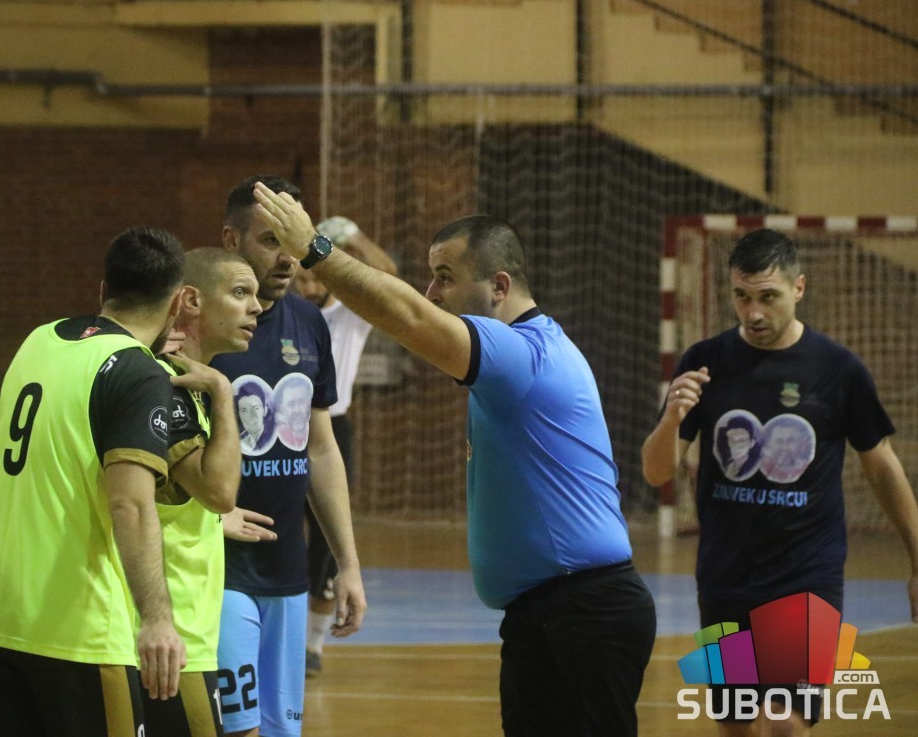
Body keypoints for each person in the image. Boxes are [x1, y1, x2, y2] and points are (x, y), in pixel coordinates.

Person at [255, 186, 656, 737]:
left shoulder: (523, 354)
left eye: (445, 277)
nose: (432, 292)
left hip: (585, 612)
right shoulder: (524, 352)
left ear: (499, 287)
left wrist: (314, 249)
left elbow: (409, 317)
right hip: (544, 614)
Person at [642, 228, 918, 736]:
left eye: (767, 297)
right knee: (736, 724)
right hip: (724, 578)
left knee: (782, 722)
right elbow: (657, 471)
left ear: (799, 288)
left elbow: (881, 466)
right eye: (741, 296)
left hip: (805, 577)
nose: (753, 313)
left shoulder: (838, 371)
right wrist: (672, 419)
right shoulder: (704, 363)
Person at [0, 226, 188, 737]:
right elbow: (131, 505)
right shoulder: (137, 371)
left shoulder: (39, 340)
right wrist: (157, 619)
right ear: (177, 304)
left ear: (103, 289)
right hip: (76, 628)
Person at [211, 176, 367, 737]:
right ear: (231, 240)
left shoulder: (309, 322)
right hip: (217, 573)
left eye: (295, 241)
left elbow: (321, 449)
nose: (287, 258)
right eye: (270, 240)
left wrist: (348, 563)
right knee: (238, 731)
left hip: (289, 575)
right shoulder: (195, 327)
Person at [142, 247, 266, 736]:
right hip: (164, 632)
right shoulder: (165, 380)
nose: (256, 307)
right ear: (191, 301)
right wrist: (224, 393)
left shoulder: (189, 381)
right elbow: (218, 491)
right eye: (239, 293)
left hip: (189, 628)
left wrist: (216, 516)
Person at [292, 217, 397, 677]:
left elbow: (388, 276)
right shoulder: (285, 315)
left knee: (327, 544)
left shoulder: (349, 313)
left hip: (332, 429)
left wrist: (353, 236)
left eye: (316, 276)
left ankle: (313, 645)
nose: (309, 286)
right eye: (302, 278)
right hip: (283, 428)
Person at [234, 380, 273, 455]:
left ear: (265, 410)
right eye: (244, 410)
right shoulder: (239, 439)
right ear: (239, 414)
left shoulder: (269, 438)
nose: (251, 416)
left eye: (256, 408)